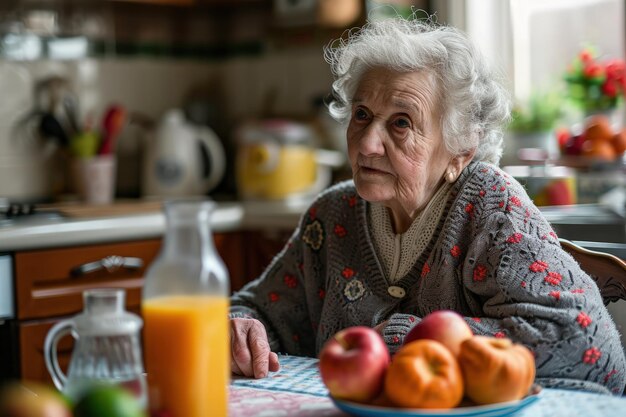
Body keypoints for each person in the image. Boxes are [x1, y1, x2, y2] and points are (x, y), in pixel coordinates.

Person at [229, 15, 626, 395]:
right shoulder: (333, 214)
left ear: (460, 151)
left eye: (401, 123)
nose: (367, 143)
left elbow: (587, 347)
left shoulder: (491, 206)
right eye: (362, 115)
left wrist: (419, 339)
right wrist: (241, 327)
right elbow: (258, 308)